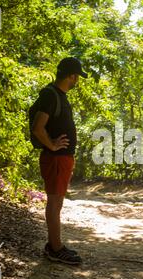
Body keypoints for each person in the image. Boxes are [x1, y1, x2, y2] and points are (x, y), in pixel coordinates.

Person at [32, 57, 88, 265]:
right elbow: (38, 127)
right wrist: (52, 145)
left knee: (57, 202)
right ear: (72, 76)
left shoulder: (58, 95)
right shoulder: (50, 94)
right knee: (55, 203)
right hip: (56, 158)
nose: (77, 81)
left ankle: (53, 245)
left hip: (62, 159)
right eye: (77, 77)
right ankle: (55, 249)